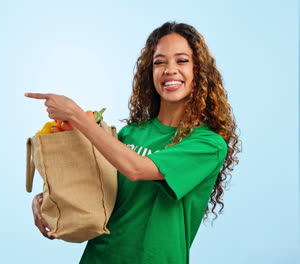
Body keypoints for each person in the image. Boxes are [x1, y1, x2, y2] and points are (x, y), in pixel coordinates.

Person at [25, 21, 240, 263]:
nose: (170, 69)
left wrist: (76, 116)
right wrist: (46, 200)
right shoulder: (130, 134)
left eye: (182, 61)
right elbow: (91, 190)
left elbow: (136, 168)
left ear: (199, 71)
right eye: (159, 62)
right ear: (150, 72)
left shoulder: (207, 145)